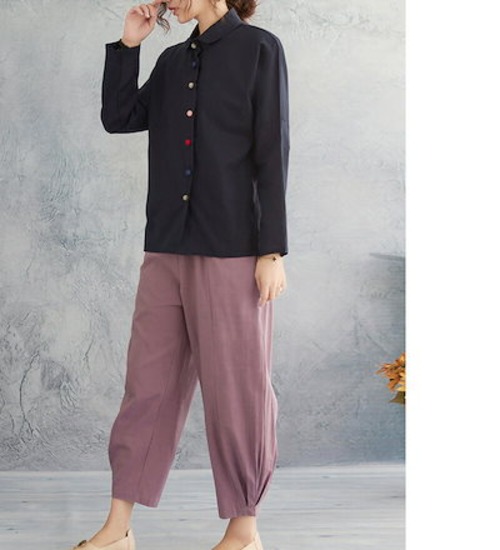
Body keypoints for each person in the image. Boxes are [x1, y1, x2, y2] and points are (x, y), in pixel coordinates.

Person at [71, 1, 290, 549]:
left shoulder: (260, 50)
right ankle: (118, 529)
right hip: (167, 245)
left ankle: (244, 531)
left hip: (232, 249)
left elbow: (273, 150)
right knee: (146, 386)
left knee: (237, 390)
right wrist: (129, 46)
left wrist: (272, 251)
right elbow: (119, 117)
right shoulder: (171, 61)